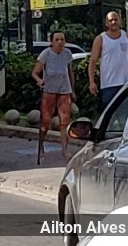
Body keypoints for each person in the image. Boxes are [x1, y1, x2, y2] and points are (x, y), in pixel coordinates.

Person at [31, 30, 76, 160]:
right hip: (49, 89)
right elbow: (35, 72)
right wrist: (40, 81)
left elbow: (69, 72)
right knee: (46, 121)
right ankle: (41, 146)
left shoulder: (67, 53)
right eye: (57, 39)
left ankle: (64, 149)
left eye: (62, 39)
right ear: (52, 42)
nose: (60, 42)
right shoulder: (46, 54)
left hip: (64, 89)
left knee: (65, 120)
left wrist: (73, 90)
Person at [88, 11, 128, 110]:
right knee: (110, 115)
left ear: (120, 21)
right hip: (108, 85)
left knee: (126, 114)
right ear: (106, 23)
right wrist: (91, 82)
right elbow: (92, 61)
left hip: (126, 83)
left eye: (116, 19)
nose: (113, 22)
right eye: (110, 20)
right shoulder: (100, 39)